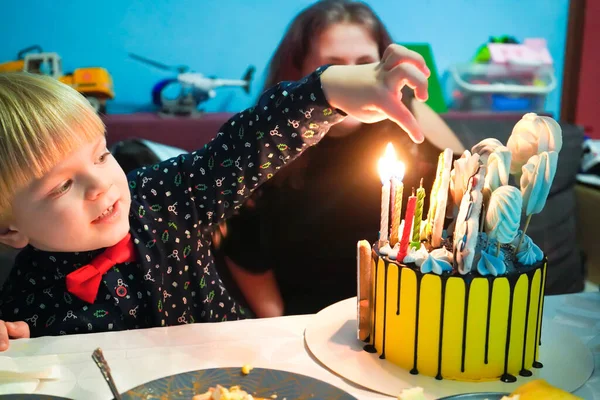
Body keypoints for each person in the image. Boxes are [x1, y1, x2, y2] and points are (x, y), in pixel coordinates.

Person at [0, 43, 431, 349]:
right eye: (61, 186)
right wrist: (19, 345)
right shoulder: (21, 300)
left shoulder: (161, 196)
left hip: (240, 373)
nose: (100, 186)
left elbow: (245, 145)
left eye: (99, 156)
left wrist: (329, 89)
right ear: (10, 229)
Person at [217, 0, 465, 317]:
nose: (355, 78)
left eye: (365, 63)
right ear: (302, 74)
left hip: (403, 318)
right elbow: (244, 251)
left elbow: (466, 187)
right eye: (334, 66)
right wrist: (279, 328)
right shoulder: (270, 140)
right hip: (306, 325)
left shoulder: (411, 118)